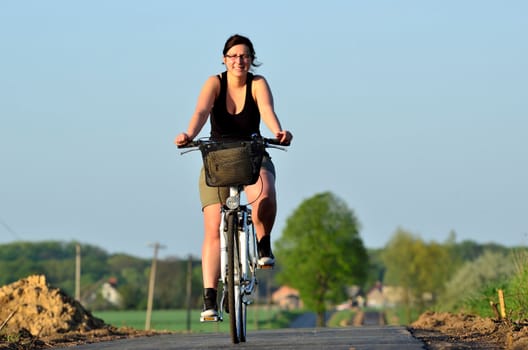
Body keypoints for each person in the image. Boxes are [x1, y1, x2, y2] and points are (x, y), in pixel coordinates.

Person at [175, 34, 293, 319]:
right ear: (224, 59)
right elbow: (201, 111)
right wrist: (189, 135)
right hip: (218, 159)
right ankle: (210, 298)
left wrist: (279, 131)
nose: (239, 61)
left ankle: (264, 244)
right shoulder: (214, 83)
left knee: (265, 193)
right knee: (213, 225)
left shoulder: (258, 83)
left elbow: (266, 110)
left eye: (244, 56)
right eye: (233, 56)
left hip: (252, 153)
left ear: (251, 59)